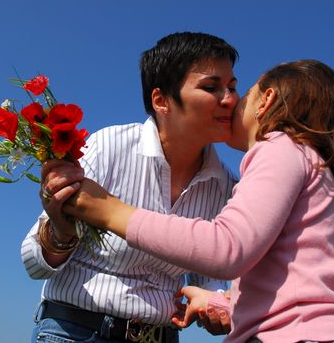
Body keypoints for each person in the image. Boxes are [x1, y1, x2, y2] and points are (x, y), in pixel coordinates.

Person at [58, 59, 334, 343]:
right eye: (214, 87)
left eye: (244, 91)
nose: (232, 102)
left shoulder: (279, 147)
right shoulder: (303, 160)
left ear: (265, 101)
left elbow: (227, 248)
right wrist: (222, 303)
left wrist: (111, 211)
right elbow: (289, 284)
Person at [21, 31, 240, 343]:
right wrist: (60, 228)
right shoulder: (110, 145)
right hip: (76, 332)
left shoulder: (227, 186)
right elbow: (33, 262)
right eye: (211, 87)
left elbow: (212, 279)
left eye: (232, 87)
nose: (230, 99)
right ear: (161, 100)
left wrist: (218, 304)